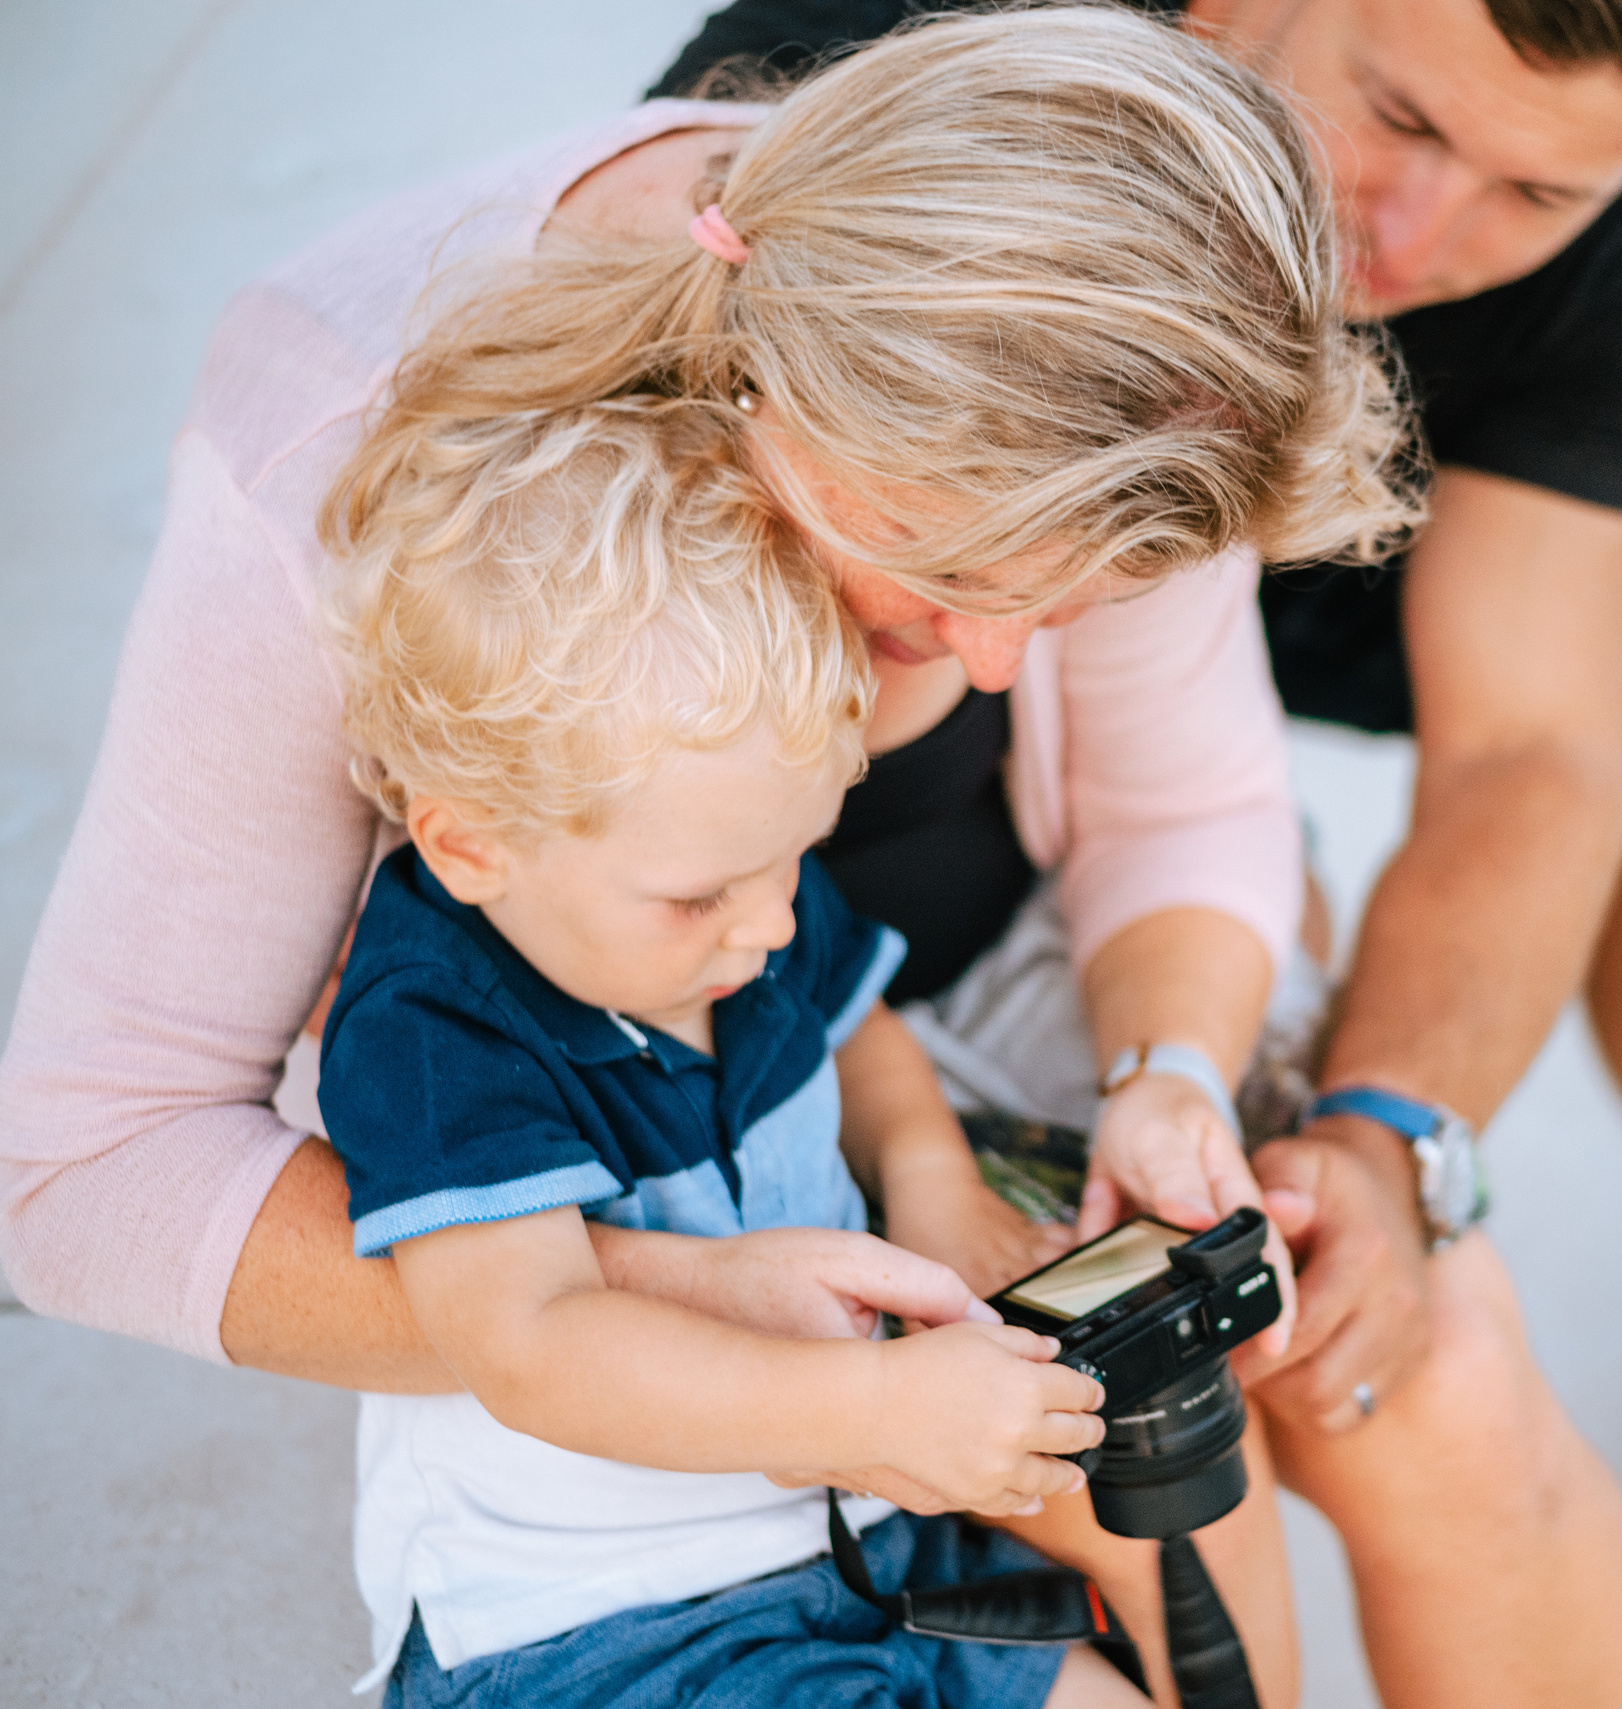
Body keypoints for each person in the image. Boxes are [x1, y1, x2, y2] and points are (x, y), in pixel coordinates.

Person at [0, 11, 1415, 1705]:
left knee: (1349, 1410)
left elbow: (1179, 813)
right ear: (782, 392)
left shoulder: (1109, 363)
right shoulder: (333, 477)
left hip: (840, 1416)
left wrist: (1164, 1067)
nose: (992, 664)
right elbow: (86, 1175)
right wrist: (705, 1312)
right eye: (950, 570)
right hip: (618, 1531)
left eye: (1061, 604)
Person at [654, 0, 1622, 1692]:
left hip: (1255, 589)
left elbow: (1529, 754)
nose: (1420, 235)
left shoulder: (1618, 255)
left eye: (1537, 195)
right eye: (1404, 118)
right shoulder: (902, 70)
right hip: (957, 619)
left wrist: (1382, 1135)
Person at [317, 397, 1129, 1705]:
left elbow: (855, 1032)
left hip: (867, 1541)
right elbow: (529, 1338)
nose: (773, 927)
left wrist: (931, 1177)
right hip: (604, 1619)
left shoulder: (737, 895)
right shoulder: (438, 1025)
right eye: (702, 897)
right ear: (473, 845)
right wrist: (872, 1410)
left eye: (796, 857)